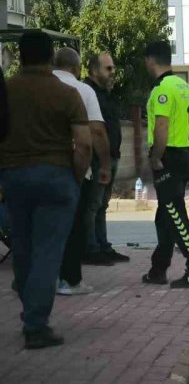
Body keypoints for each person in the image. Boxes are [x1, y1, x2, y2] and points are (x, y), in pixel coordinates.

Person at [0, 31, 92, 349]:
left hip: (13, 177)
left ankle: (31, 311)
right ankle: (36, 325)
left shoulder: (7, 91)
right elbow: (83, 144)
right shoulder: (65, 93)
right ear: (51, 56)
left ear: (20, 55)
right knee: (47, 252)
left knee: (23, 248)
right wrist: (75, 177)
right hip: (55, 177)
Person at [53, 48, 112, 296]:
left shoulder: (32, 87)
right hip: (72, 170)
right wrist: (105, 165)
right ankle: (70, 279)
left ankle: (31, 278)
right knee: (74, 225)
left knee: (40, 228)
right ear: (77, 69)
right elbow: (95, 133)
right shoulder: (83, 90)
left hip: (31, 168)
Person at [141, 41, 189, 287]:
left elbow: (161, 126)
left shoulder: (162, 89)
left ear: (150, 61)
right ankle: (158, 269)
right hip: (185, 154)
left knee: (176, 216)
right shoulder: (184, 86)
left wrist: (156, 157)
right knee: (164, 215)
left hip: (169, 158)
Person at [82, 53, 130, 264]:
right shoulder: (89, 92)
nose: (113, 72)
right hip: (97, 159)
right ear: (94, 71)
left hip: (111, 157)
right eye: (107, 68)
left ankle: (103, 245)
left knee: (102, 205)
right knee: (92, 205)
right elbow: (95, 130)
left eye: (113, 68)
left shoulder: (106, 94)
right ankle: (90, 249)